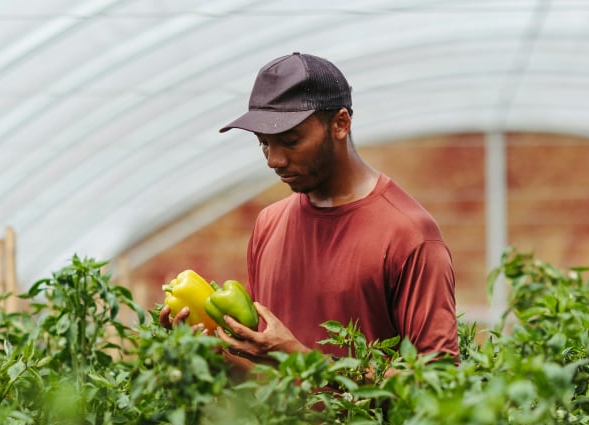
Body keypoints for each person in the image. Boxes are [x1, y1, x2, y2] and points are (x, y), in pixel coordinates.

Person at [160, 52, 459, 372]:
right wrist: (211, 352)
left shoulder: (409, 233)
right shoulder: (269, 224)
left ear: (341, 123)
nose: (273, 160)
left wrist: (302, 358)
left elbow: (438, 386)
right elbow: (267, 373)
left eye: (290, 141)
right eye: (263, 143)